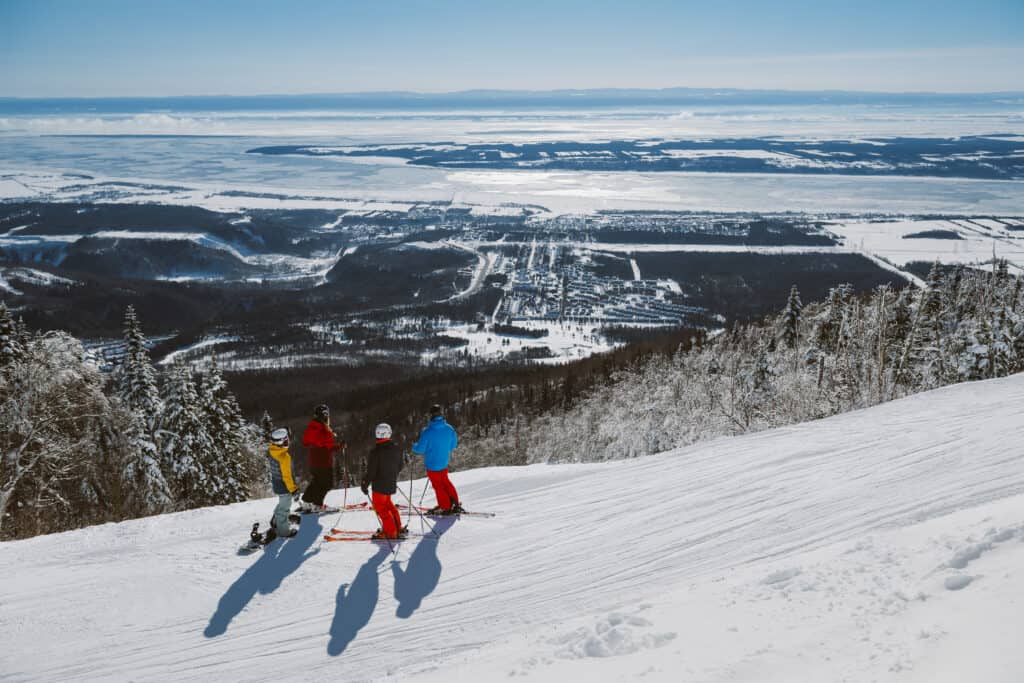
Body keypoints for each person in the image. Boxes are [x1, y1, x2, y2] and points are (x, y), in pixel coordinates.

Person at [411, 404, 463, 515]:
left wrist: (413, 446)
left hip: (432, 464)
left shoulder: (427, 432)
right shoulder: (449, 429)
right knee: (446, 482)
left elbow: (420, 449)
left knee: (438, 486)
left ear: (431, 416)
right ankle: (455, 503)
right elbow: (453, 446)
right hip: (444, 462)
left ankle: (445, 507)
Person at [361, 422, 406, 539]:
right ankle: (397, 526)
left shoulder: (375, 452)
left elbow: (371, 471)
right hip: (391, 483)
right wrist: (391, 474)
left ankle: (391, 532)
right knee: (388, 505)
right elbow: (400, 466)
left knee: (381, 508)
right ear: (389, 434)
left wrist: (365, 483)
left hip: (379, 486)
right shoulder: (397, 449)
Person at [301, 403, 344, 512]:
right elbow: (326, 446)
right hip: (323, 462)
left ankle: (307, 502)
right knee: (327, 484)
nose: (327, 417)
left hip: (315, 461)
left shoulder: (315, 426)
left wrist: (336, 444)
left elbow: (309, 441)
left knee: (317, 482)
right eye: (326, 415)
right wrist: (339, 446)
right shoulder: (320, 428)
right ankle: (317, 504)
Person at [265, 427, 300, 541]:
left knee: (282, 504)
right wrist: (293, 489)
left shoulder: (272, 450)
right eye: (285, 441)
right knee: (284, 508)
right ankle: (283, 531)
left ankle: (275, 521)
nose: (287, 443)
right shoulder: (284, 457)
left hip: (276, 483)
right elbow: (287, 476)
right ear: (279, 442)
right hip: (284, 486)